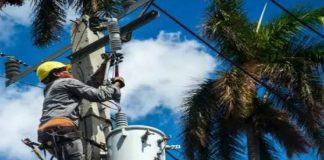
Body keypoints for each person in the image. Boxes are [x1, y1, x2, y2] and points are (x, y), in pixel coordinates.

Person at [36, 61, 124, 160]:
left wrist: (103, 67)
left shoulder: (51, 90)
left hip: (44, 134)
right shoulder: (66, 82)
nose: (70, 72)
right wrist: (117, 85)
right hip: (61, 129)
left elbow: (87, 87)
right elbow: (99, 95)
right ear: (56, 74)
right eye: (66, 70)